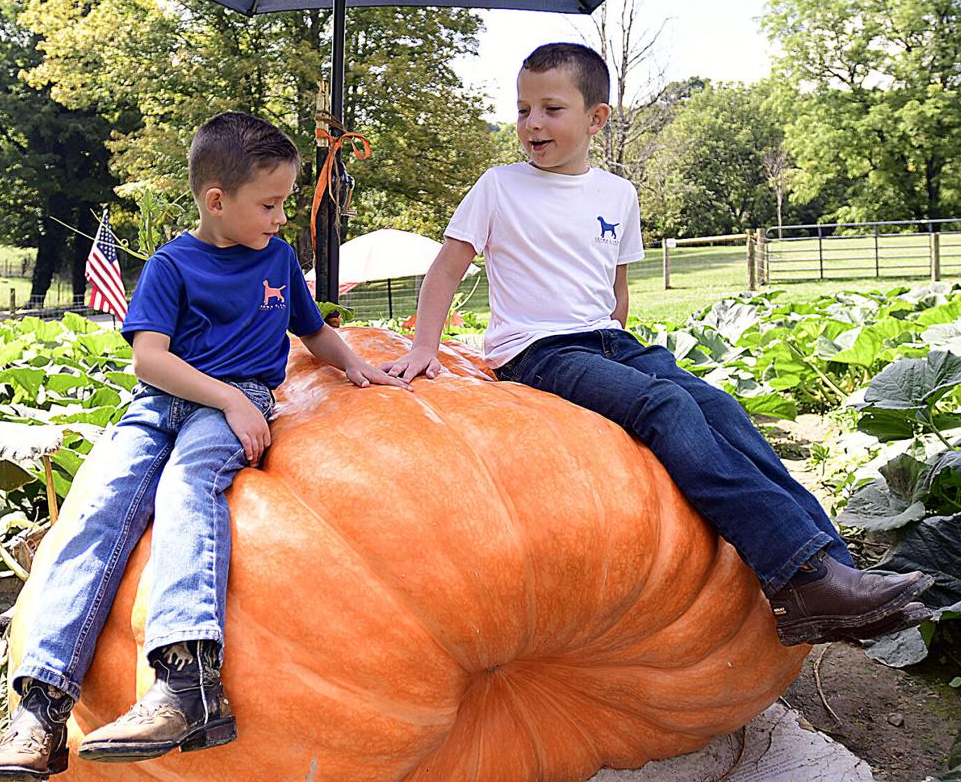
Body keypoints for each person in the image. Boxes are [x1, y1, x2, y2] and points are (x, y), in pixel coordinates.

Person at [383, 42, 932, 648]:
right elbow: (447, 269)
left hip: (610, 342)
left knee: (722, 408)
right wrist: (423, 348)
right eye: (522, 110)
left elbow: (615, 287)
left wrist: (622, 341)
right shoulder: (499, 186)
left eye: (550, 108)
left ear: (597, 118)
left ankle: (840, 577)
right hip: (537, 352)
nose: (532, 123)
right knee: (666, 409)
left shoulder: (618, 195)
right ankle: (800, 575)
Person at [0, 111, 409, 781]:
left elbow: (313, 330)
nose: (280, 217)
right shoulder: (171, 266)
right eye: (269, 204)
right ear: (217, 201)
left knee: (188, 486)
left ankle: (187, 680)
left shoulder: (277, 261)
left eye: (285, 203)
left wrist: (356, 366)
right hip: (164, 403)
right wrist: (228, 398)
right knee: (97, 513)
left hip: (237, 399)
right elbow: (149, 360)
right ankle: (40, 707)